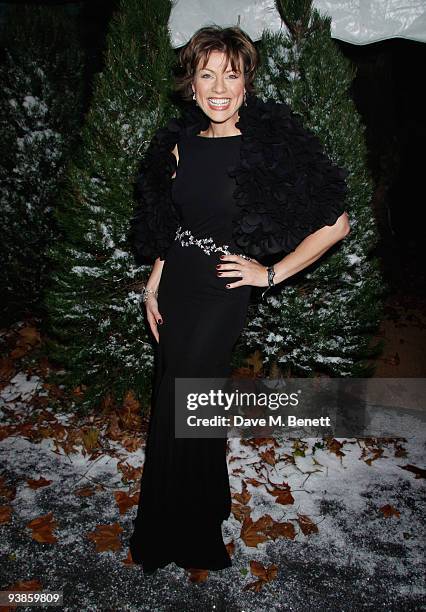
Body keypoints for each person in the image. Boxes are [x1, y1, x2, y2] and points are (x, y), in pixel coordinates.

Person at [128, 25, 350, 575]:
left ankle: (185, 532)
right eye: (207, 74)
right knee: (179, 399)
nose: (219, 87)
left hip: (224, 288)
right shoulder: (181, 143)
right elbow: (173, 221)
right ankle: (197, 506)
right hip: (177, 282)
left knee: (185, 398)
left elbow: (336, 224)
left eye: (231, 74)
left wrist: (269, 274)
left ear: (247, 83)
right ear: (192, 84)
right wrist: (154, 282)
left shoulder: (270, 146)